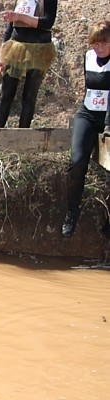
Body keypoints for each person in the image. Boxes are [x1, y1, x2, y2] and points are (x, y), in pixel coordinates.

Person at [61, 20, 110, 238]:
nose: (99, 48)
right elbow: (90, 89)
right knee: (77, 161)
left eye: (104, 43)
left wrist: (108, 125)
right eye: (95, 44)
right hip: (88, 113)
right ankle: (72, 211)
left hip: (109, 116)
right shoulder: (88, 57)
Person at [0, 0, 57, 128]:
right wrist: (0, 56)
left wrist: (20, 17)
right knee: (7, 94)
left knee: (29, 95)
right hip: (15, 48)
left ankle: (23, 135)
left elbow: (47, 22)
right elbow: (9, 29)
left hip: (39, 50)